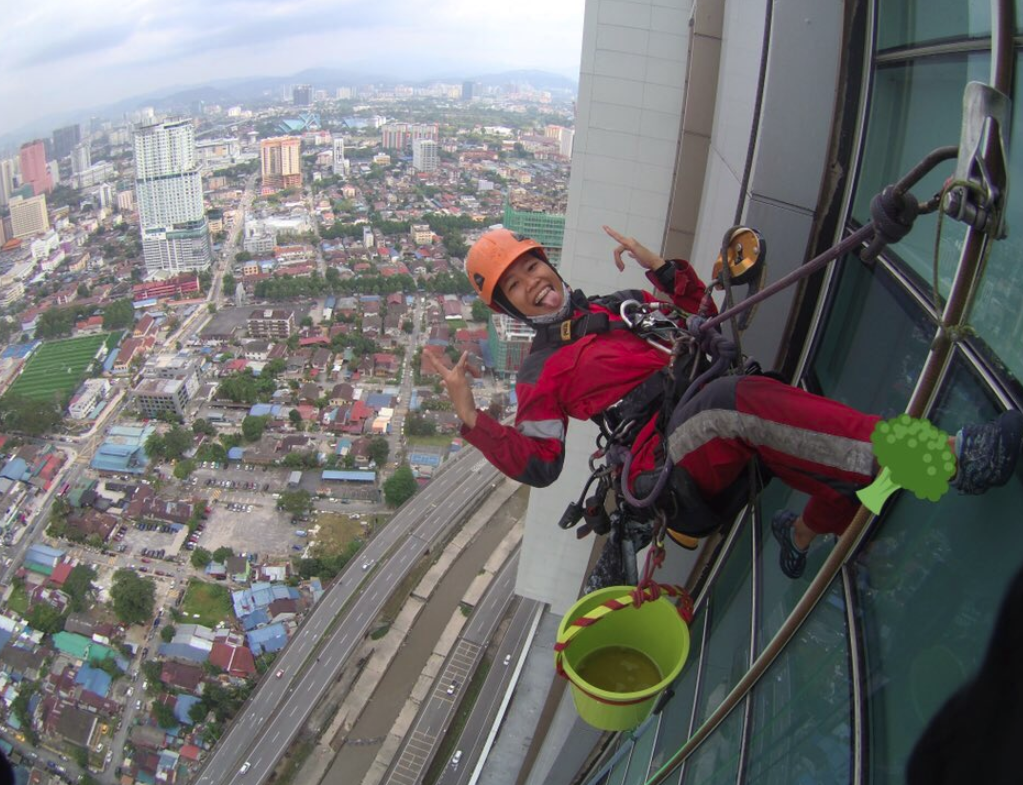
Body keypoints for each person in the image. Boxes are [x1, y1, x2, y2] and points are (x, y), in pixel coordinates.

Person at [425, 227, 1023, 585]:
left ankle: (803, 536)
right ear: (512, 309)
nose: (533, 280)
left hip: (701, 403)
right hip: (663, 451)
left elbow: (704, 320)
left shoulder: (619, 303)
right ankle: (943, 459)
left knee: (809, 429)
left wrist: (661, 269)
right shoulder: (540, 374)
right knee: (734, 408)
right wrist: (475, 421)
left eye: (532, 265)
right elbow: (541, 462)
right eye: (516, 285)